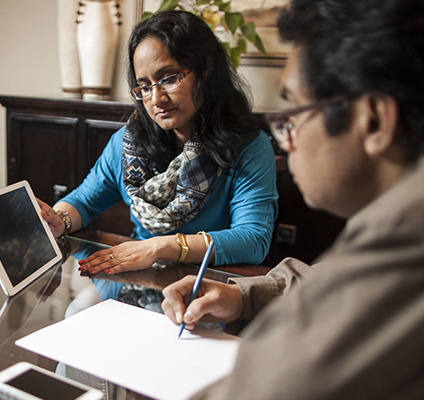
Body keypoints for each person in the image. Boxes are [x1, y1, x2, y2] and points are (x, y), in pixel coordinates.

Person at [161, 0, 424, 398]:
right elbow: (331, 280)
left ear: (372, 121)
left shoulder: (403, 247)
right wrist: (244, 294)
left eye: (293, 114)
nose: (286, 141)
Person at [39, 10, 278, 276]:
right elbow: (84, 201)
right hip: (141, 274)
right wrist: (58, 221)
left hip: (209, 284)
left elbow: (253, 240)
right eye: (144, 86)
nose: (156, 98)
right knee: (75, 310)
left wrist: (160, 248)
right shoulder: (127, 143)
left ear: (206, 73)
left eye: (169, 78)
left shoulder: (248, 146)